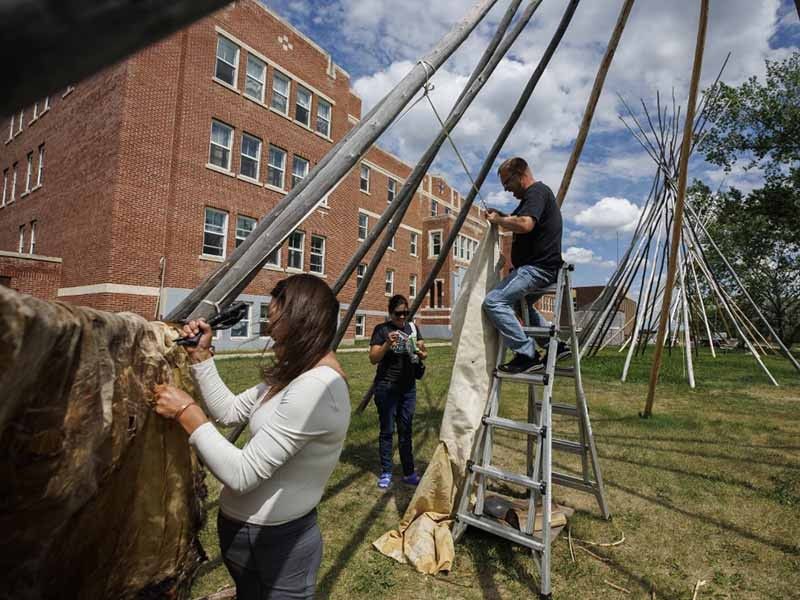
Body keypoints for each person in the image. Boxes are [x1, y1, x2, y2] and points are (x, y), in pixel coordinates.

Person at [152, 274, 350, 599]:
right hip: (248, 541)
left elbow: (243, 474)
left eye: (275, 324)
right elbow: (229, 411)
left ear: (301, 322)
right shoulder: (294, 376)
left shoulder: (317, 388)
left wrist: (186, 412)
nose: (270, 335)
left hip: (279, 546)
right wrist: (201, 357)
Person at [482, 156, 569, 374]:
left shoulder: (537, 192)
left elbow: (526, 224)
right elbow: (519, 218)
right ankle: (553, 346)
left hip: (537, 269)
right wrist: (503, 216)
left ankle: (527, 354)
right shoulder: (532, 199)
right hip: (544, 268)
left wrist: (499, 221)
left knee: (493, 302)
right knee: (521, 306)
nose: (506, 190)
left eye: (507, 183)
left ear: (520, 175)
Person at [368, 294, 428, 489]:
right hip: (387, 387)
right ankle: (386, 472)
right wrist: (387, 344)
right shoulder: (382, 329)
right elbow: (373, 358)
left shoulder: (412, 328)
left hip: (408, 388)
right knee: (387, 431)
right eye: (398, 314)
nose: (402, 317)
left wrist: (420, 352)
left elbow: (424, 352)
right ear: (390, 313)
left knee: (406, 430)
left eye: (406, 313)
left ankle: (409, 471)